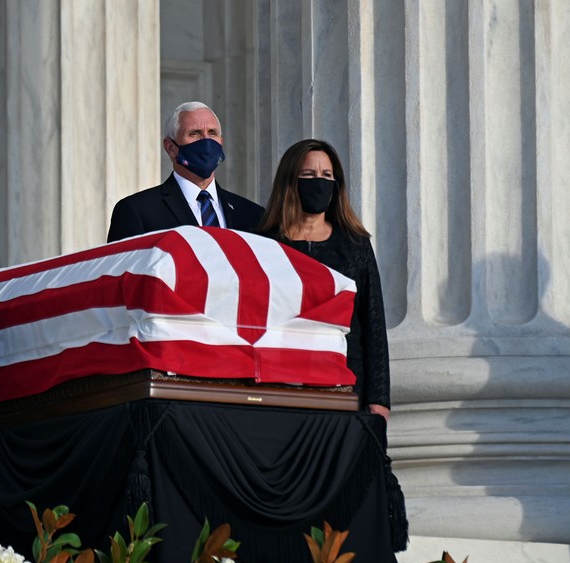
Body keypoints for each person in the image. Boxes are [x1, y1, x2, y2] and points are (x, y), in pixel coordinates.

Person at [260, 139, 390, 420]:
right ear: (290, 182)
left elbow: (373, 323)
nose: (318, 182)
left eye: (326, 176)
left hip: (345, 388)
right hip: (281, 386)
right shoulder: (264, 244)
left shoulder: (355, 244)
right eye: (308, 175)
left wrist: (379, 400)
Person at [107, 101, 264, 242]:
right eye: (194, 133)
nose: (206, 141)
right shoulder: (137, 211)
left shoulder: (253, 215)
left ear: (221, 142)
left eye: (212, 133)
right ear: (170, 147)